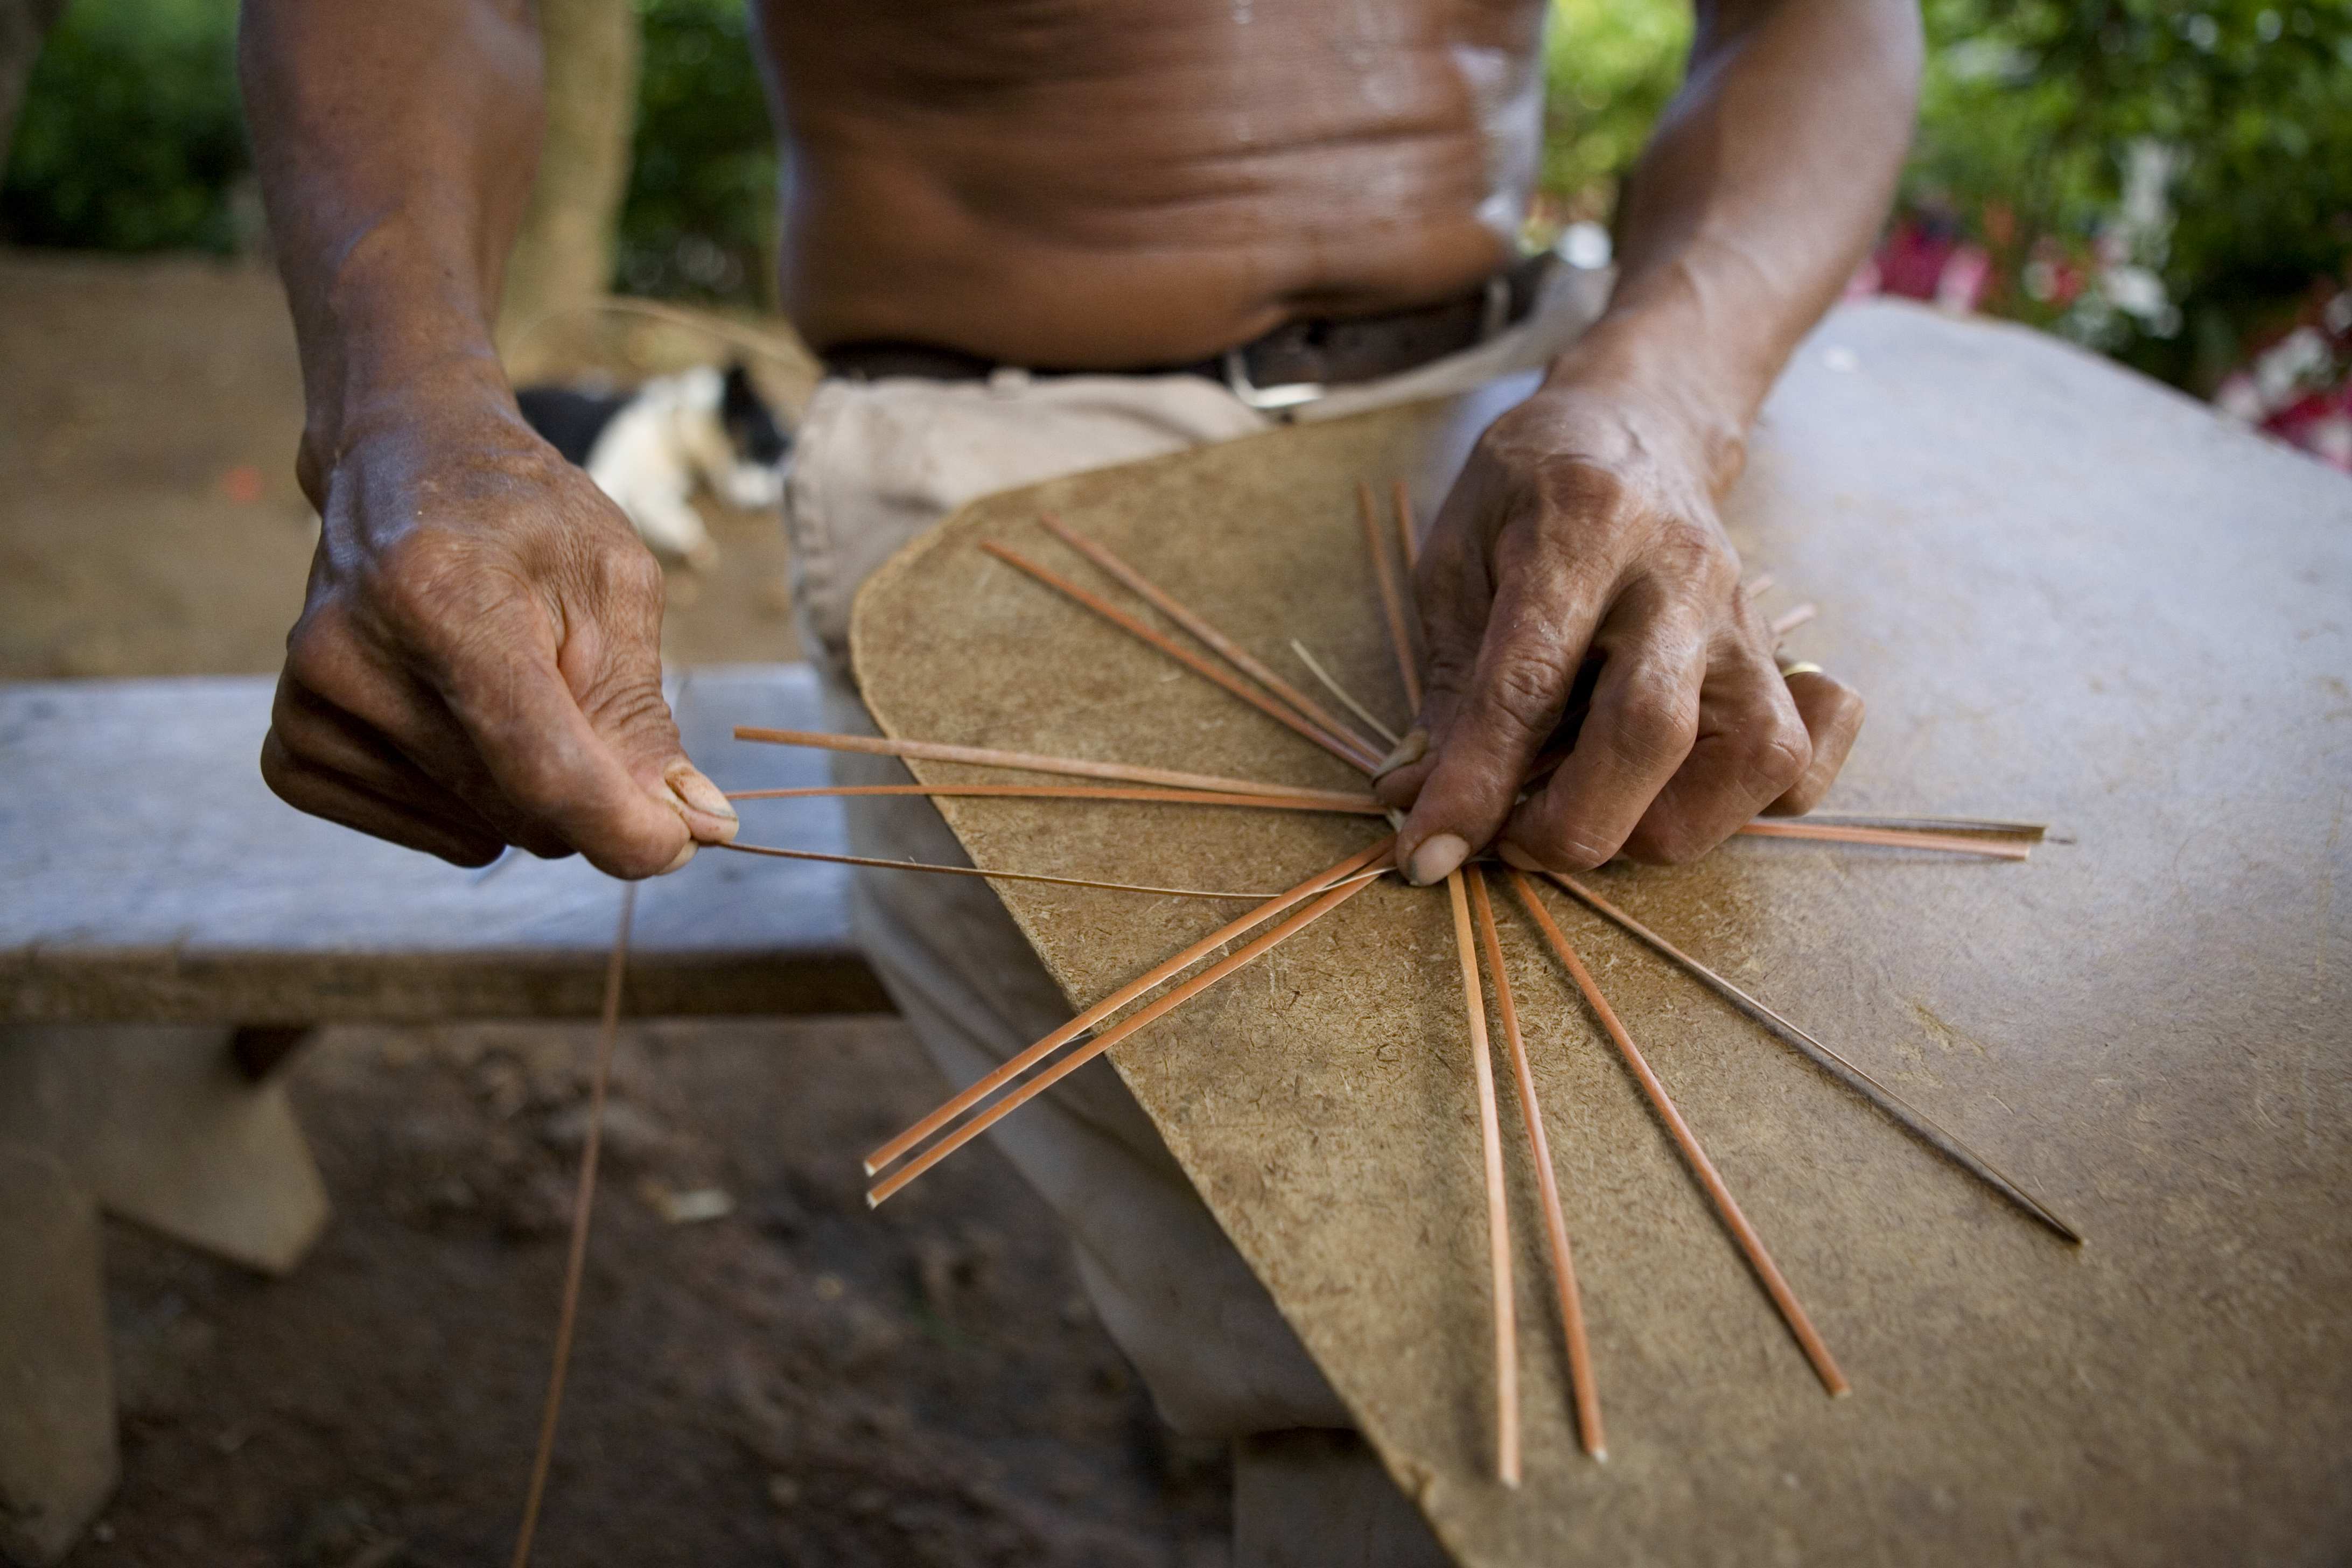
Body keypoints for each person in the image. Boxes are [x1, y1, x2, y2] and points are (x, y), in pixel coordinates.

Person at [239, 1, 1915, 1558]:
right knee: (1435, 1334)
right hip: (1010, 477)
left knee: (1822, 1192)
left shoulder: (1624, 413)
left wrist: (1664, 395)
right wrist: (410, 414)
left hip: (1552, 410)